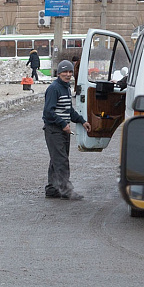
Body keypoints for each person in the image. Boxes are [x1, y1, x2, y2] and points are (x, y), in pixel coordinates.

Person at [43, 60, 91, 200]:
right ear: (59, 73)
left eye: (70, 72)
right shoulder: (54, 88)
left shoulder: (65, 88)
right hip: (54, 130)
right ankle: (66, 190)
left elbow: (68, 110)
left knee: (56, 159)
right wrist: (62, 123)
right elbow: (48, 112)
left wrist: (82, 121)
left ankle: (52, 188)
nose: (68, 74)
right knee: (61, 160)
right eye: (65, 72)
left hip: (62, 130)